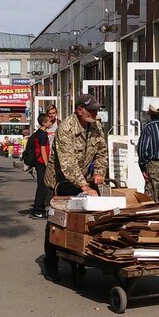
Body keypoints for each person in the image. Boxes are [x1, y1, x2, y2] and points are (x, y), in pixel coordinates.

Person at [43, 94, 109, 278]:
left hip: (83, 179)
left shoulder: (96, 126)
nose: (95, 113)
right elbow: (68, 163)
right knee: (56, 222)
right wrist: (84, 186)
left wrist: (99, 172)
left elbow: (102, 151)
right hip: (60, 182)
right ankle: (51, 263)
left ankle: (78, 258)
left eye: (97, 110)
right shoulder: (66, 128)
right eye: (92, 110)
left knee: (85, 220)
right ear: (80, 110)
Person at [29, 113, 52, 218]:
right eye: (49, 121)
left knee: (43, 185)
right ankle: (37, 209)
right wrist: (47, 163)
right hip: (41, 162)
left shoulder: (40, 133)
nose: (51, 122)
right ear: (44, 123)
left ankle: (40, 207)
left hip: (40, 162)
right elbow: (43, 150)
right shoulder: (42, 134)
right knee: (42, 186)